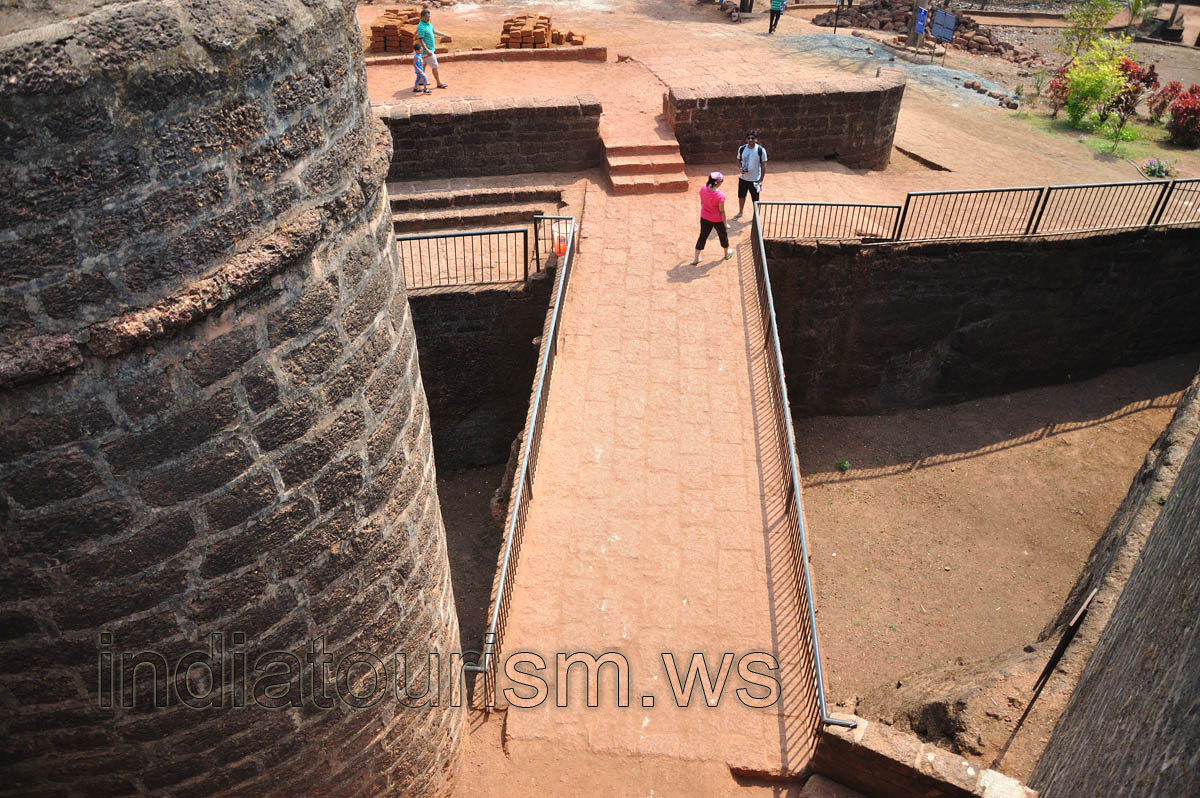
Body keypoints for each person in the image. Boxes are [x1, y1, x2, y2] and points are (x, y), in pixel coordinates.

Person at [693, 171, 734, 265]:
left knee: (702, 236)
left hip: (704, 217)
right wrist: (725, 224)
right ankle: (726, 254)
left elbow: (702, 202)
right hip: (717, 220)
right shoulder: (720, 195)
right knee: (723, 236)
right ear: (718, 182)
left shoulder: (702, 188)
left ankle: (696, 258)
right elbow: (722, 211)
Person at [733, 130, 767, 219]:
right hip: (743, 178)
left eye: (753, 138)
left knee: (755, 199)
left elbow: (763, 166)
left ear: (756, 139)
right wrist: (741, 168)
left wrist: (760, 180)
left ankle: (755, 216)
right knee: (741, 196)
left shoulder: (761, 150)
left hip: (755, 180)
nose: (750, 140)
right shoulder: (742, 149)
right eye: (749, 138)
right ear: (746, 139)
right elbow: (738, 160)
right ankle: (740, 212)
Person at [416, 7, 448, 89]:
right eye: (427, 17)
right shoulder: (421, 27)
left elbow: (433, 31)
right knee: (435, 66)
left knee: (424, 64)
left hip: (428, 50)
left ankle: (421, 81)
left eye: (429, 17)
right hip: (427, 51)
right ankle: (438, 83)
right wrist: (427, 51)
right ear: (422, 17)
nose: (428, 18)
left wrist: (444, 34)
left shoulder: (428, 23)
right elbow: (421, 40)